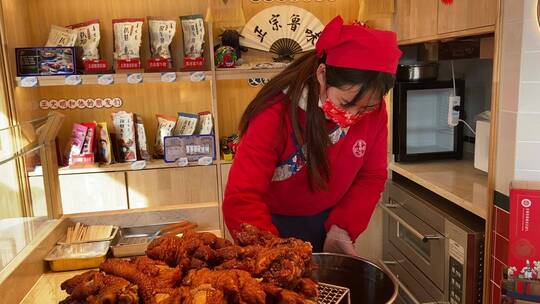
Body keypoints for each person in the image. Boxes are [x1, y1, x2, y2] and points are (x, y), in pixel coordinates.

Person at [222, 16, 402, 254]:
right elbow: (242, 197)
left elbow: (371, 176)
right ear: (322, 74)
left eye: (366, 108)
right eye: (346, 102)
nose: (352, 115)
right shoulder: (276, 112)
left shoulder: (376, 112)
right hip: (267, 223)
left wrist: (343, 228)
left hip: (330, 223)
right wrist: (272, 254)